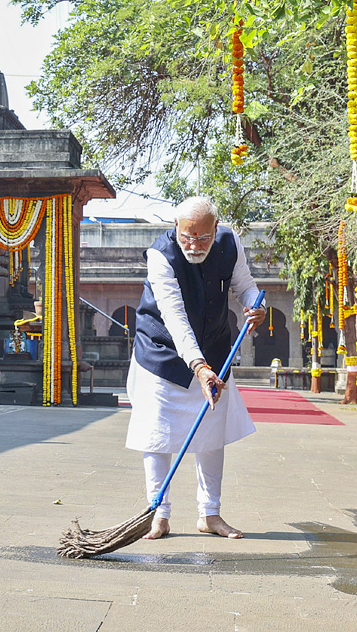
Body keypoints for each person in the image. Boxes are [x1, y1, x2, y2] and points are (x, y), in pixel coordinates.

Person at [126, 196, 265, 540]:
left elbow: (245, 286)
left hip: (215, 347)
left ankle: (210, 514)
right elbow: (174, 315)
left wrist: (255, 306)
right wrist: (198, 366)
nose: (194, 245)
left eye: (203, 238)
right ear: (176, 227)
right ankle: (158, 514)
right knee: (158, 435)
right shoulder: (162, 255)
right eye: (187, 236)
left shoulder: (229, 243)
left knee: (210, 434)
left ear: (215, 229)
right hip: (162, 354)